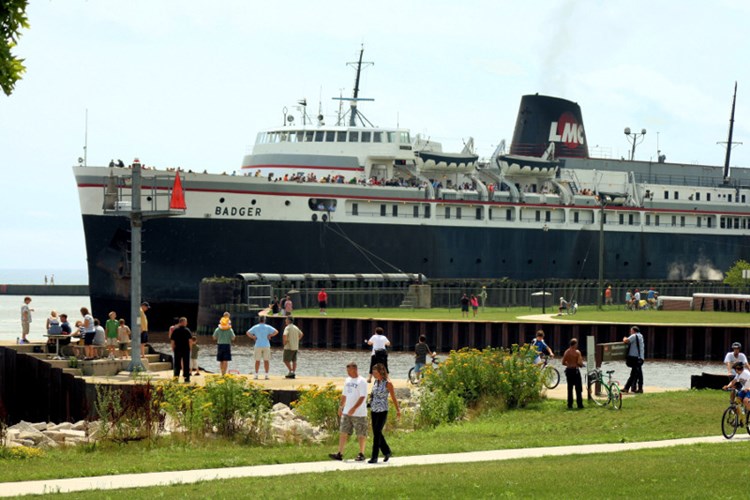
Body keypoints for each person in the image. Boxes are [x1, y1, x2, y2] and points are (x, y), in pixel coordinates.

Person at [328, 361, 368, 462]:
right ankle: (340, 453)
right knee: (343, 432)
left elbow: (363, 397)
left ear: (354, 369)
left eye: (349, 370)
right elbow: (344, 395)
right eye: (347, 370)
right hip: (346, 412)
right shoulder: (347, 380)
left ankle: (361, 453)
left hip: (359, 413)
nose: (348, 372)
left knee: (361, 433)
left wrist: (354, 408)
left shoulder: (362, 381)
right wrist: (341, 406)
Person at [367, 363, 401, 463]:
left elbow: (394, 397)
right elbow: (373, 395)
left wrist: (398, 410)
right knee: (377, 432)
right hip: (374, 410)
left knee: (377, 433)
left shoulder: (388, 383)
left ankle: (374, 457)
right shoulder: (375, 382)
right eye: (373, 372)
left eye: (375, 372)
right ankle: (387, 451)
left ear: (380, 372)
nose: (373, 374)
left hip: (383, 410)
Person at [247, 316, 278, 380]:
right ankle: (266, 375)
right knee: (266, 360)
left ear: (259, 320)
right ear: (264, 320)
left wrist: (253, 337)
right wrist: (270, 335)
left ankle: (256, 374)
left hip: (258, 345)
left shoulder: (256, 327)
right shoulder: (267, 327)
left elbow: (248, 332)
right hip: (266, 345)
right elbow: (276, 331)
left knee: (257, 360)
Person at [561, 338, 585, 409]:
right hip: (575, 371)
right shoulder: (577, 352)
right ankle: (579, 404)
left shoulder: (566, 352)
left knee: (570, 388)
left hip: (568, 371)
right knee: (578, 388)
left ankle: (570, 404)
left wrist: (569, 365)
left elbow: (563, 362)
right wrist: (581, 365)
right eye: (577, 344)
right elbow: (579, 363)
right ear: (575, 344)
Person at [170, 317, 193, 383]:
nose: (187, 323)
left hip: (177, 349)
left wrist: (173, 347)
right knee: (186, 363)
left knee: (177, 364)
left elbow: (172, 340)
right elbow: (190, 340)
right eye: (186, 322)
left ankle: (175, 378)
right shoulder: (187, 330)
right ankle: (186, 378)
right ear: (183, 322)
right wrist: (190, 348)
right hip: (186, 349)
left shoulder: (175, 330)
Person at [623, 325, 645, 393]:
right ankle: (630, 388)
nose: (630, 332)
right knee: (637, 374)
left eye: (631, 331)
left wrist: (624, 338)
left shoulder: (634, 336)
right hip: (640, 358)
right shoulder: (640, 336)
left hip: (635, 358)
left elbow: (626, 341)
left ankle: (629, 388)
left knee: (634, 374)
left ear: (634, 331)